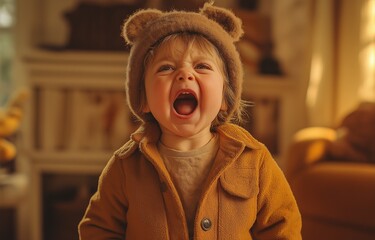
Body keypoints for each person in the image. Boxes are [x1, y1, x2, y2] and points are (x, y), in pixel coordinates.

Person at [78, 2, 302, 240]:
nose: (185, 74)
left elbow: (282, 227)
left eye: (202, 66)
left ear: (225, 98)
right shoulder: (126, 167)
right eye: (166, 68)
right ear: (143, 100)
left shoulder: (254, 161)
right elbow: (99, 229)